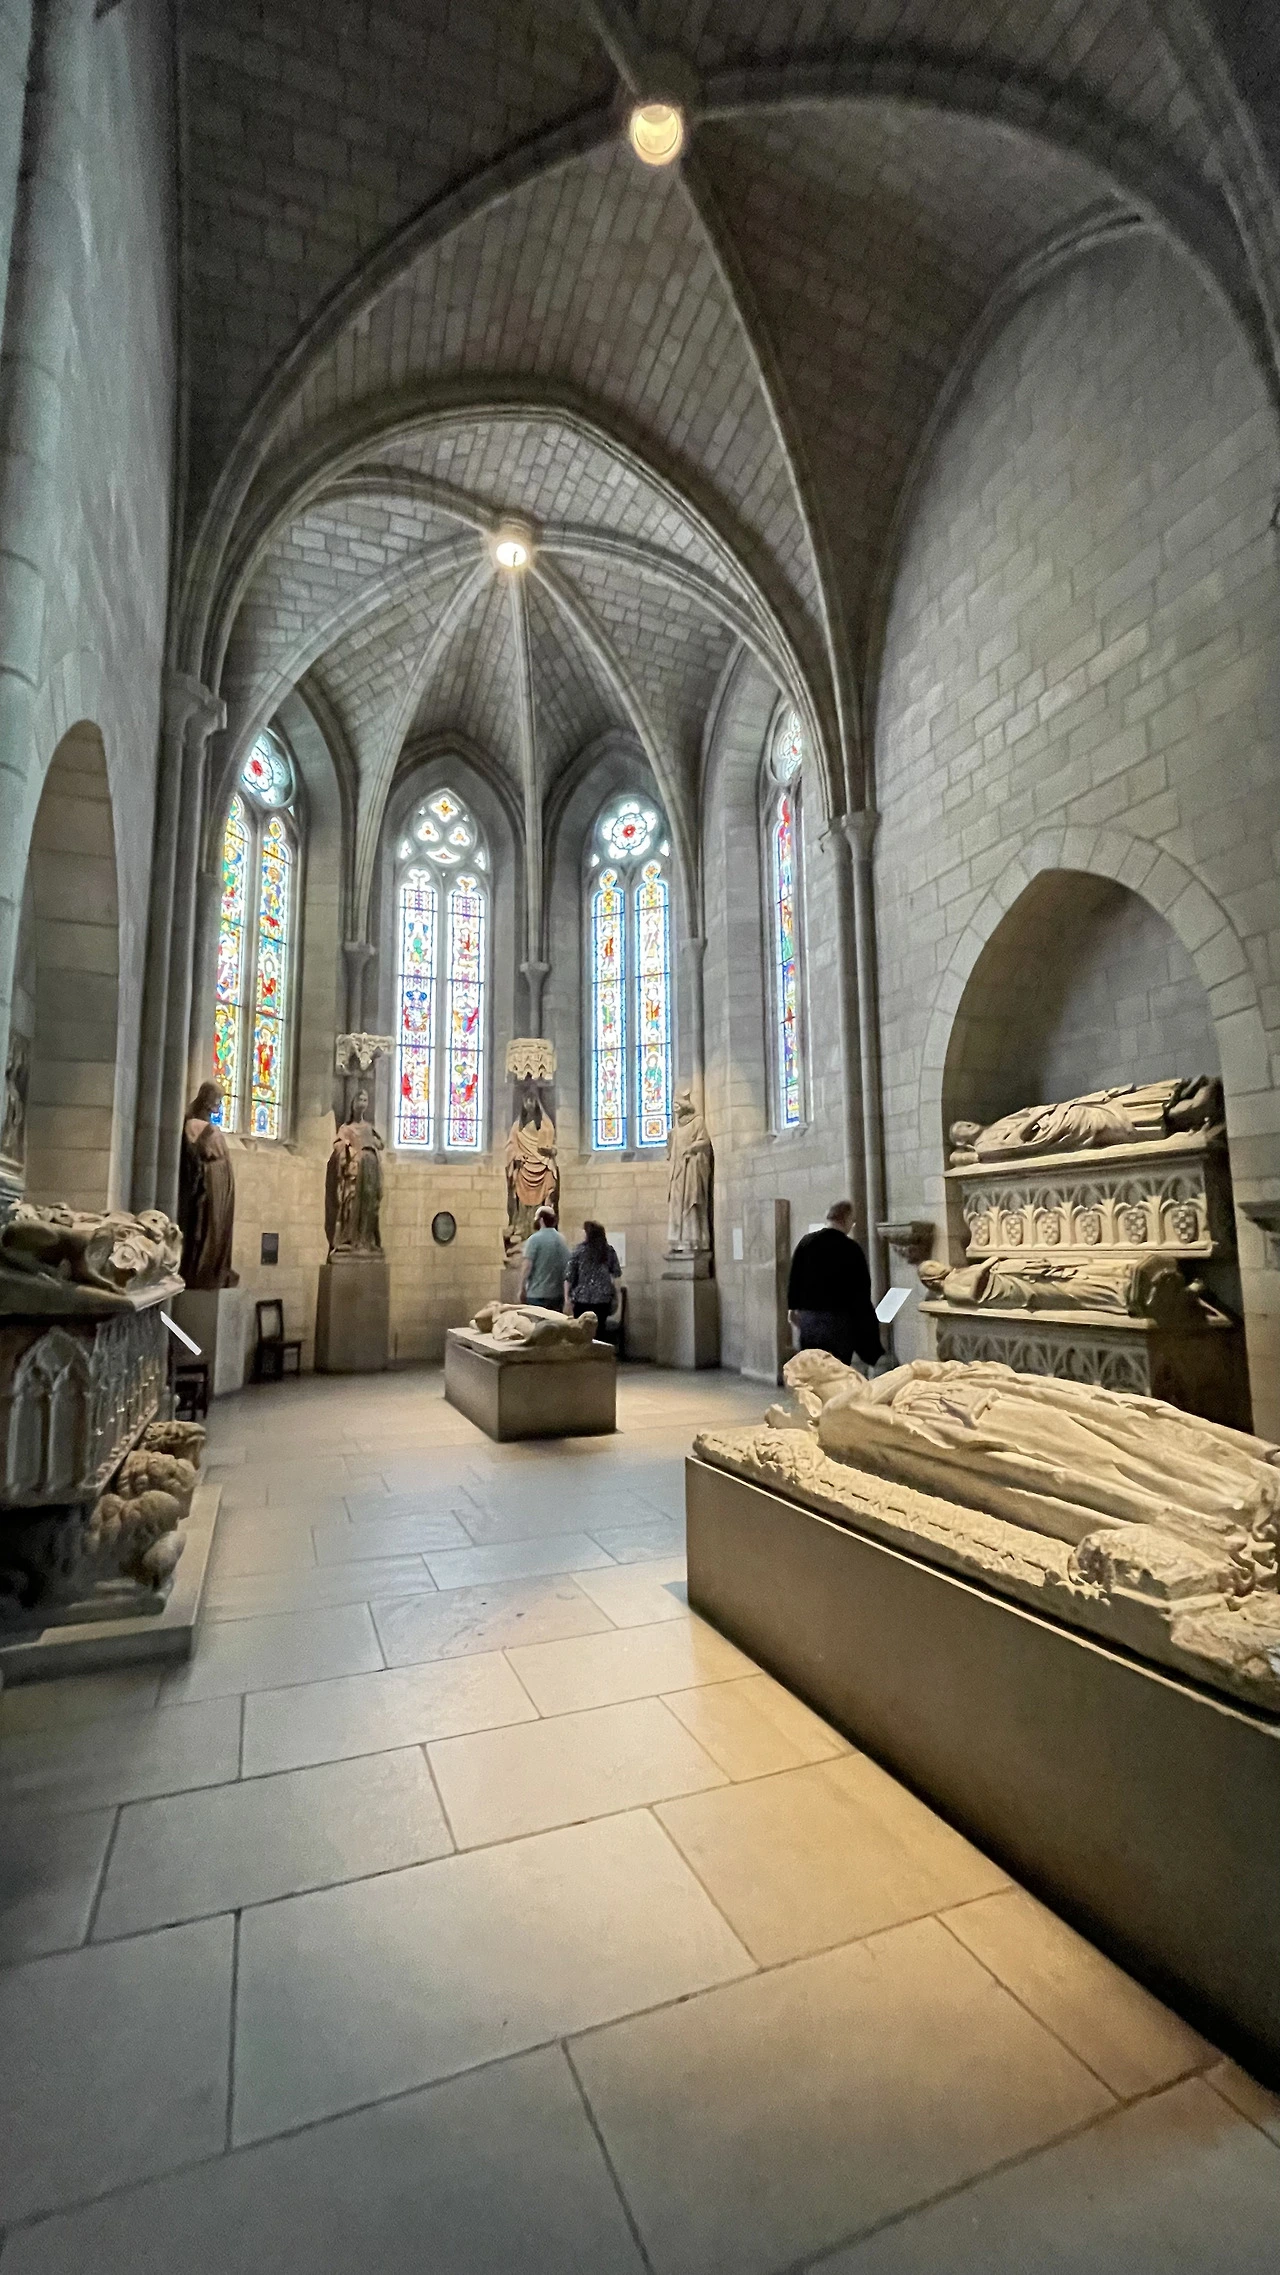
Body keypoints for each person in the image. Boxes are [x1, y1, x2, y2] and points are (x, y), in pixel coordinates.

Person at [786, 1200, 882, 1368]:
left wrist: (792, 1309)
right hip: (838, 1322)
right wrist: (867, 1327)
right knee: (837, 1371)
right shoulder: (851, 1248)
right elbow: (860, 1291)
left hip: (809, 1319)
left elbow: (794, 1278)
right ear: (846, 1219)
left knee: (813, 1369)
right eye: (852, 1220)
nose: (852, 1225)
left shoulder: (806, 1242)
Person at [565, 1219, 621, 1325]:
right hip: (603, 1299)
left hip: (582, 1299)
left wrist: (567, 1299)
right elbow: (616, 1275)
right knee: (600, 1329)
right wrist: (616, 1297)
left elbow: (569, 1276)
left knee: (581, 1330)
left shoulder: (578, 1251)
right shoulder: (608, 1251)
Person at [519, 1204, 570, 1312]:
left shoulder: (534, 1240)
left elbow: (527, 1266)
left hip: (537, 1294)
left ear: (541, 1220)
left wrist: (522, 1288)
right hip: (557, 1295)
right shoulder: (562, 1240)